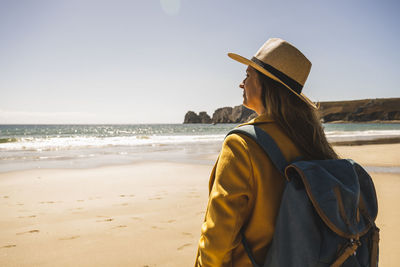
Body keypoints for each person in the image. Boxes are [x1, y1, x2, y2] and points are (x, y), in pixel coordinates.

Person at [194, 38, 338, 266]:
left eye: (248, 75)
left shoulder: (241, 145)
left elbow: (218, 238)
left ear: (266, 84)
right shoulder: (311, 141)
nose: (242, 83)